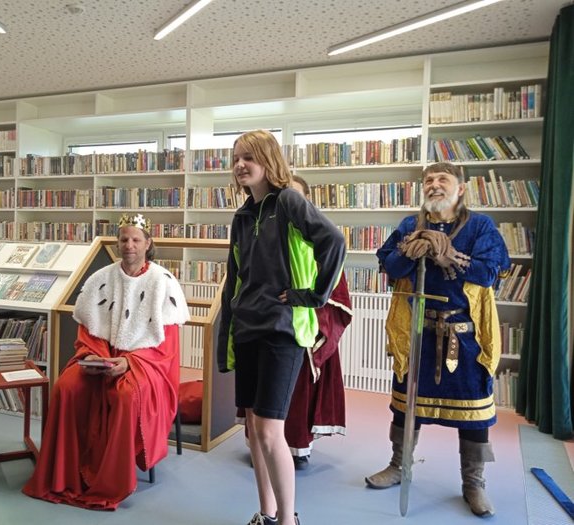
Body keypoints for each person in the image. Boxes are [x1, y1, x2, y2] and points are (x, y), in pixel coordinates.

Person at [365, 162, 510, 518]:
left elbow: (489, 272)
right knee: (405, 406)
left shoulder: (480, 226)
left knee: (475, 415)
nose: (434, 185)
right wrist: (409, 250)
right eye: (429, 180)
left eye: (443, 179)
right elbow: (388, 266)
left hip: (464, 336)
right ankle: (399, 466)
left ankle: (474, 483)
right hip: (417, 332)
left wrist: (450, 258)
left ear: (461, 188)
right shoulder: (409, 225)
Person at [218, 130, 346, 525]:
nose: (240, 165)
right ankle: (267, 514)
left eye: (249, 157)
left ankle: (289, 520)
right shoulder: (242, 217)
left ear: (268, 159)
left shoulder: (289, 201)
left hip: (281, 332)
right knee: (254, 431)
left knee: (272, 432)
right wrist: (227, 338)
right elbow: (233, 280)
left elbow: (334, 242)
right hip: (247, 329)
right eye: (236, 158)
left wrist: (313, 296)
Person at [22, 213, 189, 510]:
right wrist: (93, 357)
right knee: (66, 387)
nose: (129, 245)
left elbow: (166, 346)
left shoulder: (163, 282)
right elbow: (88, 333)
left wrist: (130, 363)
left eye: (136, 240)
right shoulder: (100, 279)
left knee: (125, 395)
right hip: (101, 358)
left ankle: (111, 480)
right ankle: (65, 473)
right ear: (117, 243)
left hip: (145, 364)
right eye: (124, 239)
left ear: (148, 243)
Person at [236, 175, 354, 471]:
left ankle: (296, 449)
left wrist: (309, 301)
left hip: (299, 332)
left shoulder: (313, 241)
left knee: (296, 399)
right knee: (260, 410)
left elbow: (334, 293)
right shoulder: (251, 222)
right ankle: (265, 456)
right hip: (260, 326)